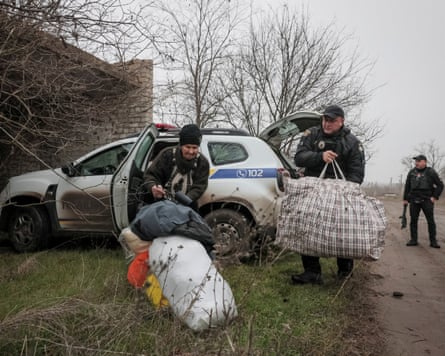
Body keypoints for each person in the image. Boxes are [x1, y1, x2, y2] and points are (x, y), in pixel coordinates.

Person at [291, 104, 365, 284]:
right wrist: (319, 157)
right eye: (325, 119)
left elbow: (357, 174)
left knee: (342, 231)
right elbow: (299, 157)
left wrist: (343, 191)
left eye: (332, 120)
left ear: (341, 121)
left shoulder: (352, 143)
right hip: (313, 190)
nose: (327, 123)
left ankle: (345, 271)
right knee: (308, 228)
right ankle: (312, 272)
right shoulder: (312, 134)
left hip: (340, 194)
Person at [143, 123, 210, 211]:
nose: (191, 151)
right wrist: (153, 187)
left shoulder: (202, 163)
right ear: (181, 145)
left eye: (195, 148)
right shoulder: (166, 155)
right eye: (188, 147)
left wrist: (185, 200)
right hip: (161, 205)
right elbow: (151, 175)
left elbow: (200, 186)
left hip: (187, 208)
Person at [403, 155, 443, 248]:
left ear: (424, 162)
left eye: (419, 161)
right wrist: (405, 199)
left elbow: (440, 185)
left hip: (427, 200)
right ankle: (413, 240)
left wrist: (434, 197)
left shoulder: (431, 172)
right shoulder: (412, 172)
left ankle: (433, 241)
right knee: (413, 220)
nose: (416, 162)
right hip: (414, 199)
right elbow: (407, 186)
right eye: (416, 161)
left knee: (430, 221)